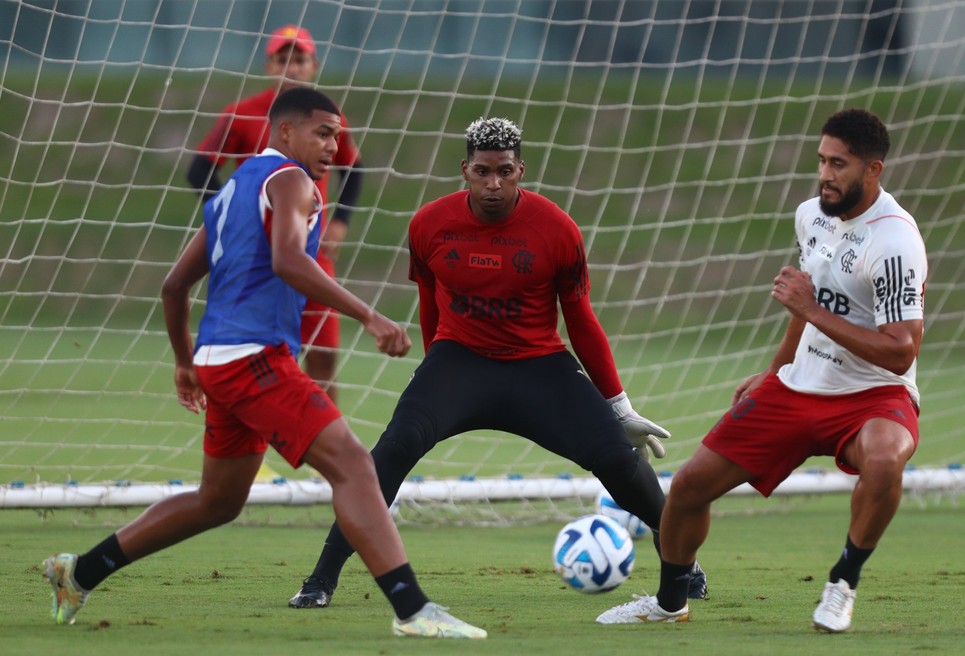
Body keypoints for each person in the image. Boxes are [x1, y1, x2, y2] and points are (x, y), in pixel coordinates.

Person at [42, 87, 486, 640]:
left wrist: (186, 364)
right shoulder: (293, 182)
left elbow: (174, 285)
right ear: (284, 132)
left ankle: (78, 571)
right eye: (323, 133)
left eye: (338, 136)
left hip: (217, 360)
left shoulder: (235, 189)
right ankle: (413, 609)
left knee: (218, 501)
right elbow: (288, 261)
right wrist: (370, 315)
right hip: (254, 358)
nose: (333, 145)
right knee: (353, 464)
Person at [286, 116, 708, 610]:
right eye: (483, 171)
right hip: (459, 362)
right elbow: (429, 306)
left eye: (504, 171)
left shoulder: (557, 230)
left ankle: (682, 562)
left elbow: (581, 320)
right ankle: (320, 579)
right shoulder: (428, 224)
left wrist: (617, 404)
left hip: (540, 366)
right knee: (393, 447)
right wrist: (434, 372)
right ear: (465, 170)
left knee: (617, 457)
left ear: (520, 170)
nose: (493, 184)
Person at [596, 108, 926, 633]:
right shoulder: (810, 215)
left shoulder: (895, 242)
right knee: (686, 488)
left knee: (885, 460)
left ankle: (842, 584)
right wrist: (774, 370)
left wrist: (812, 309)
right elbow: (807, 308)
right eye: (821, 160)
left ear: (873, 170)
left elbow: (900, 351)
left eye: (838, 164)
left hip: (874, 394)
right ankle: (669, 600)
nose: (824, 174)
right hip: (799, 387)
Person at [187, 24, 362, 400]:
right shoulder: (241, 113)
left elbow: (354, 168)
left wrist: (341, 221)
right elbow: (199, 169)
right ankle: (256, 437)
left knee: (324, 354)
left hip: (310, 252)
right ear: (269, 65)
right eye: (284, 59)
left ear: (313, 65)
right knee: (258, 356)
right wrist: (234, 216)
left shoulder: (330, 120)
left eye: (299, 59)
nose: (292, 67)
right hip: (255, 258)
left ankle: (322, 443)